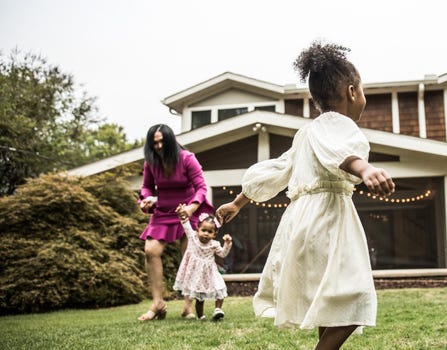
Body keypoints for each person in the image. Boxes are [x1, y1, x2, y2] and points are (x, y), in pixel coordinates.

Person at [216, 41, 395, 350]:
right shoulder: (339, 124)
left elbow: (277, 170)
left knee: (329, 299)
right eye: (362, 89)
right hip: (327, 217)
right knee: (357, 296)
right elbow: (339, 152)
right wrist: (365, 170)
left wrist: (238, 201)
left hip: (299, 223)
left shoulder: (306, 133)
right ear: (353, 92)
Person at [137, 124, 214, 321]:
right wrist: (144, 200)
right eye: (155, 143)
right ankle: (158, 303)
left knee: (189, 255)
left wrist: (191, 208)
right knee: (151, 251)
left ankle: (188, 305)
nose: (159, 146)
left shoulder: (187, 158)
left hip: (188, 210)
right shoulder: (151, 162)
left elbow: (201, 188)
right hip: (163, 211)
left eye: (163, 142)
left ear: (171, 141)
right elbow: (146, 188)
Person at [174, 205, 232, 320]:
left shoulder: (214, 244)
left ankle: (218, 309)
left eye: (210, 232)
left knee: (220, 288)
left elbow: (223, 254)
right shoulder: (192, 238)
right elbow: (185, 223)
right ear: (197, 230)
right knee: (199, 297)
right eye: (203, 230)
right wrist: (181, 213)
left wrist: (227, 244)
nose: (206, 234)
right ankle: (201, 316)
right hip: (196, 274)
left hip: (210, 273)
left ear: (215, 234)